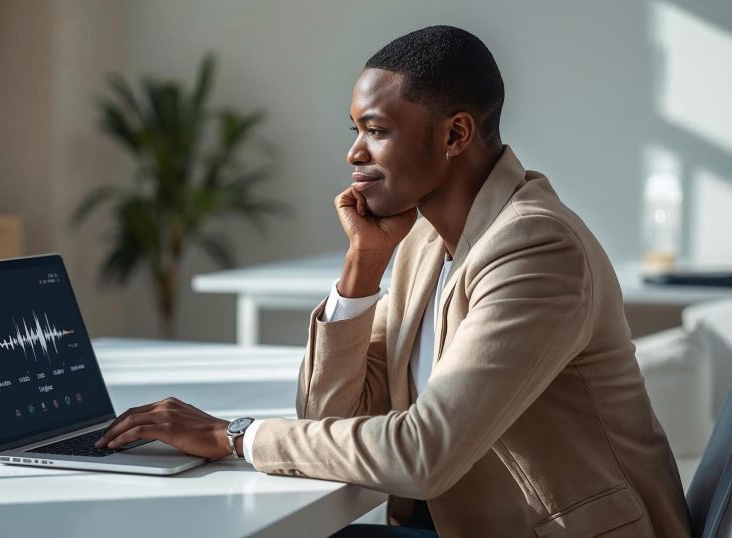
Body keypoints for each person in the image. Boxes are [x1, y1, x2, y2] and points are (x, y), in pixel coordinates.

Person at [97, 25, 692, 537]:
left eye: (376, 130)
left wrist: (234, 435)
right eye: (355, 130)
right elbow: (328, 416)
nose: (354, 153)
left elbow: (422, 453)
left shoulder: (536, 248)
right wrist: (363, 267)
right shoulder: (423, 242)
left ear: (455, 135)